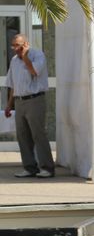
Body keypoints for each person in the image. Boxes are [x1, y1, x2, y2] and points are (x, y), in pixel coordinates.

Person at [3, 34, 55, 178]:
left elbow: (34, 71)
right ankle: (29, 167)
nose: (15, 49)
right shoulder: (14, 60)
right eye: (13, 45)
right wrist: (9, 105)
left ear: (26, 44)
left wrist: (25, 56)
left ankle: (47, 168)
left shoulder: (38, 55)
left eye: (18, 45)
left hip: (35, 99)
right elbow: (13, 84)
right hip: (19, 101)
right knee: (23, 136)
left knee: (38, 134)